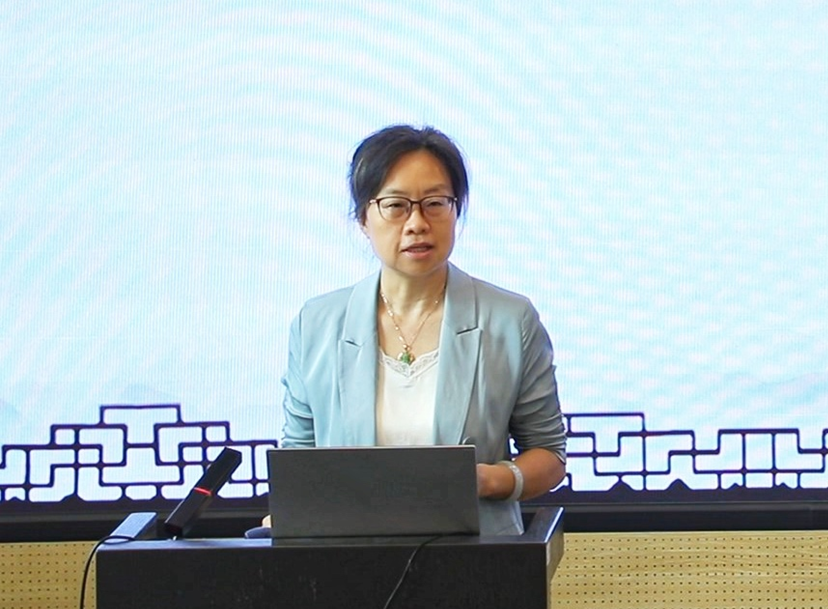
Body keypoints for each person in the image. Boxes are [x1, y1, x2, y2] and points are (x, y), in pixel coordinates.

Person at [279, 125, 566, 535]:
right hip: (346, 557)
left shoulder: (509, 319)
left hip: (479, 557)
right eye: (396, 206)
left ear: (456, 210)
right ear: (363, 218)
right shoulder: (317, 324)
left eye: (435, 203)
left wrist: (487, 480)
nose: (417, 223)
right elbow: (298, 458)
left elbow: (548, 454)